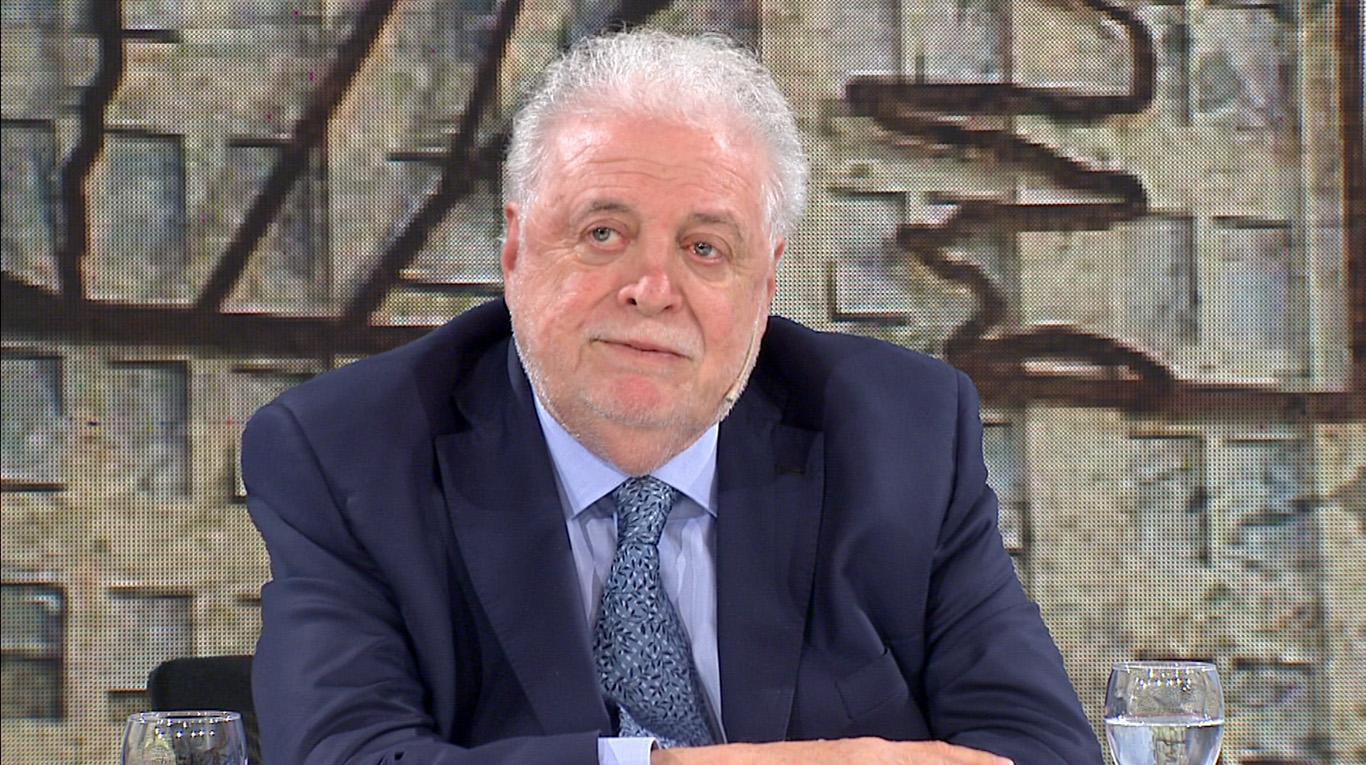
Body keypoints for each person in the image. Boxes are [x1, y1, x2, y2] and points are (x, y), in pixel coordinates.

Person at [243, 28, 1102, 765]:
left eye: (705, 248)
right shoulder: (349, 452)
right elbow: (344, 755)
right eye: (603, 233)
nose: (651, 289)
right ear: (515, 249)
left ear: (767, 282)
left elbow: (1040, 750)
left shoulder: (901, 432)